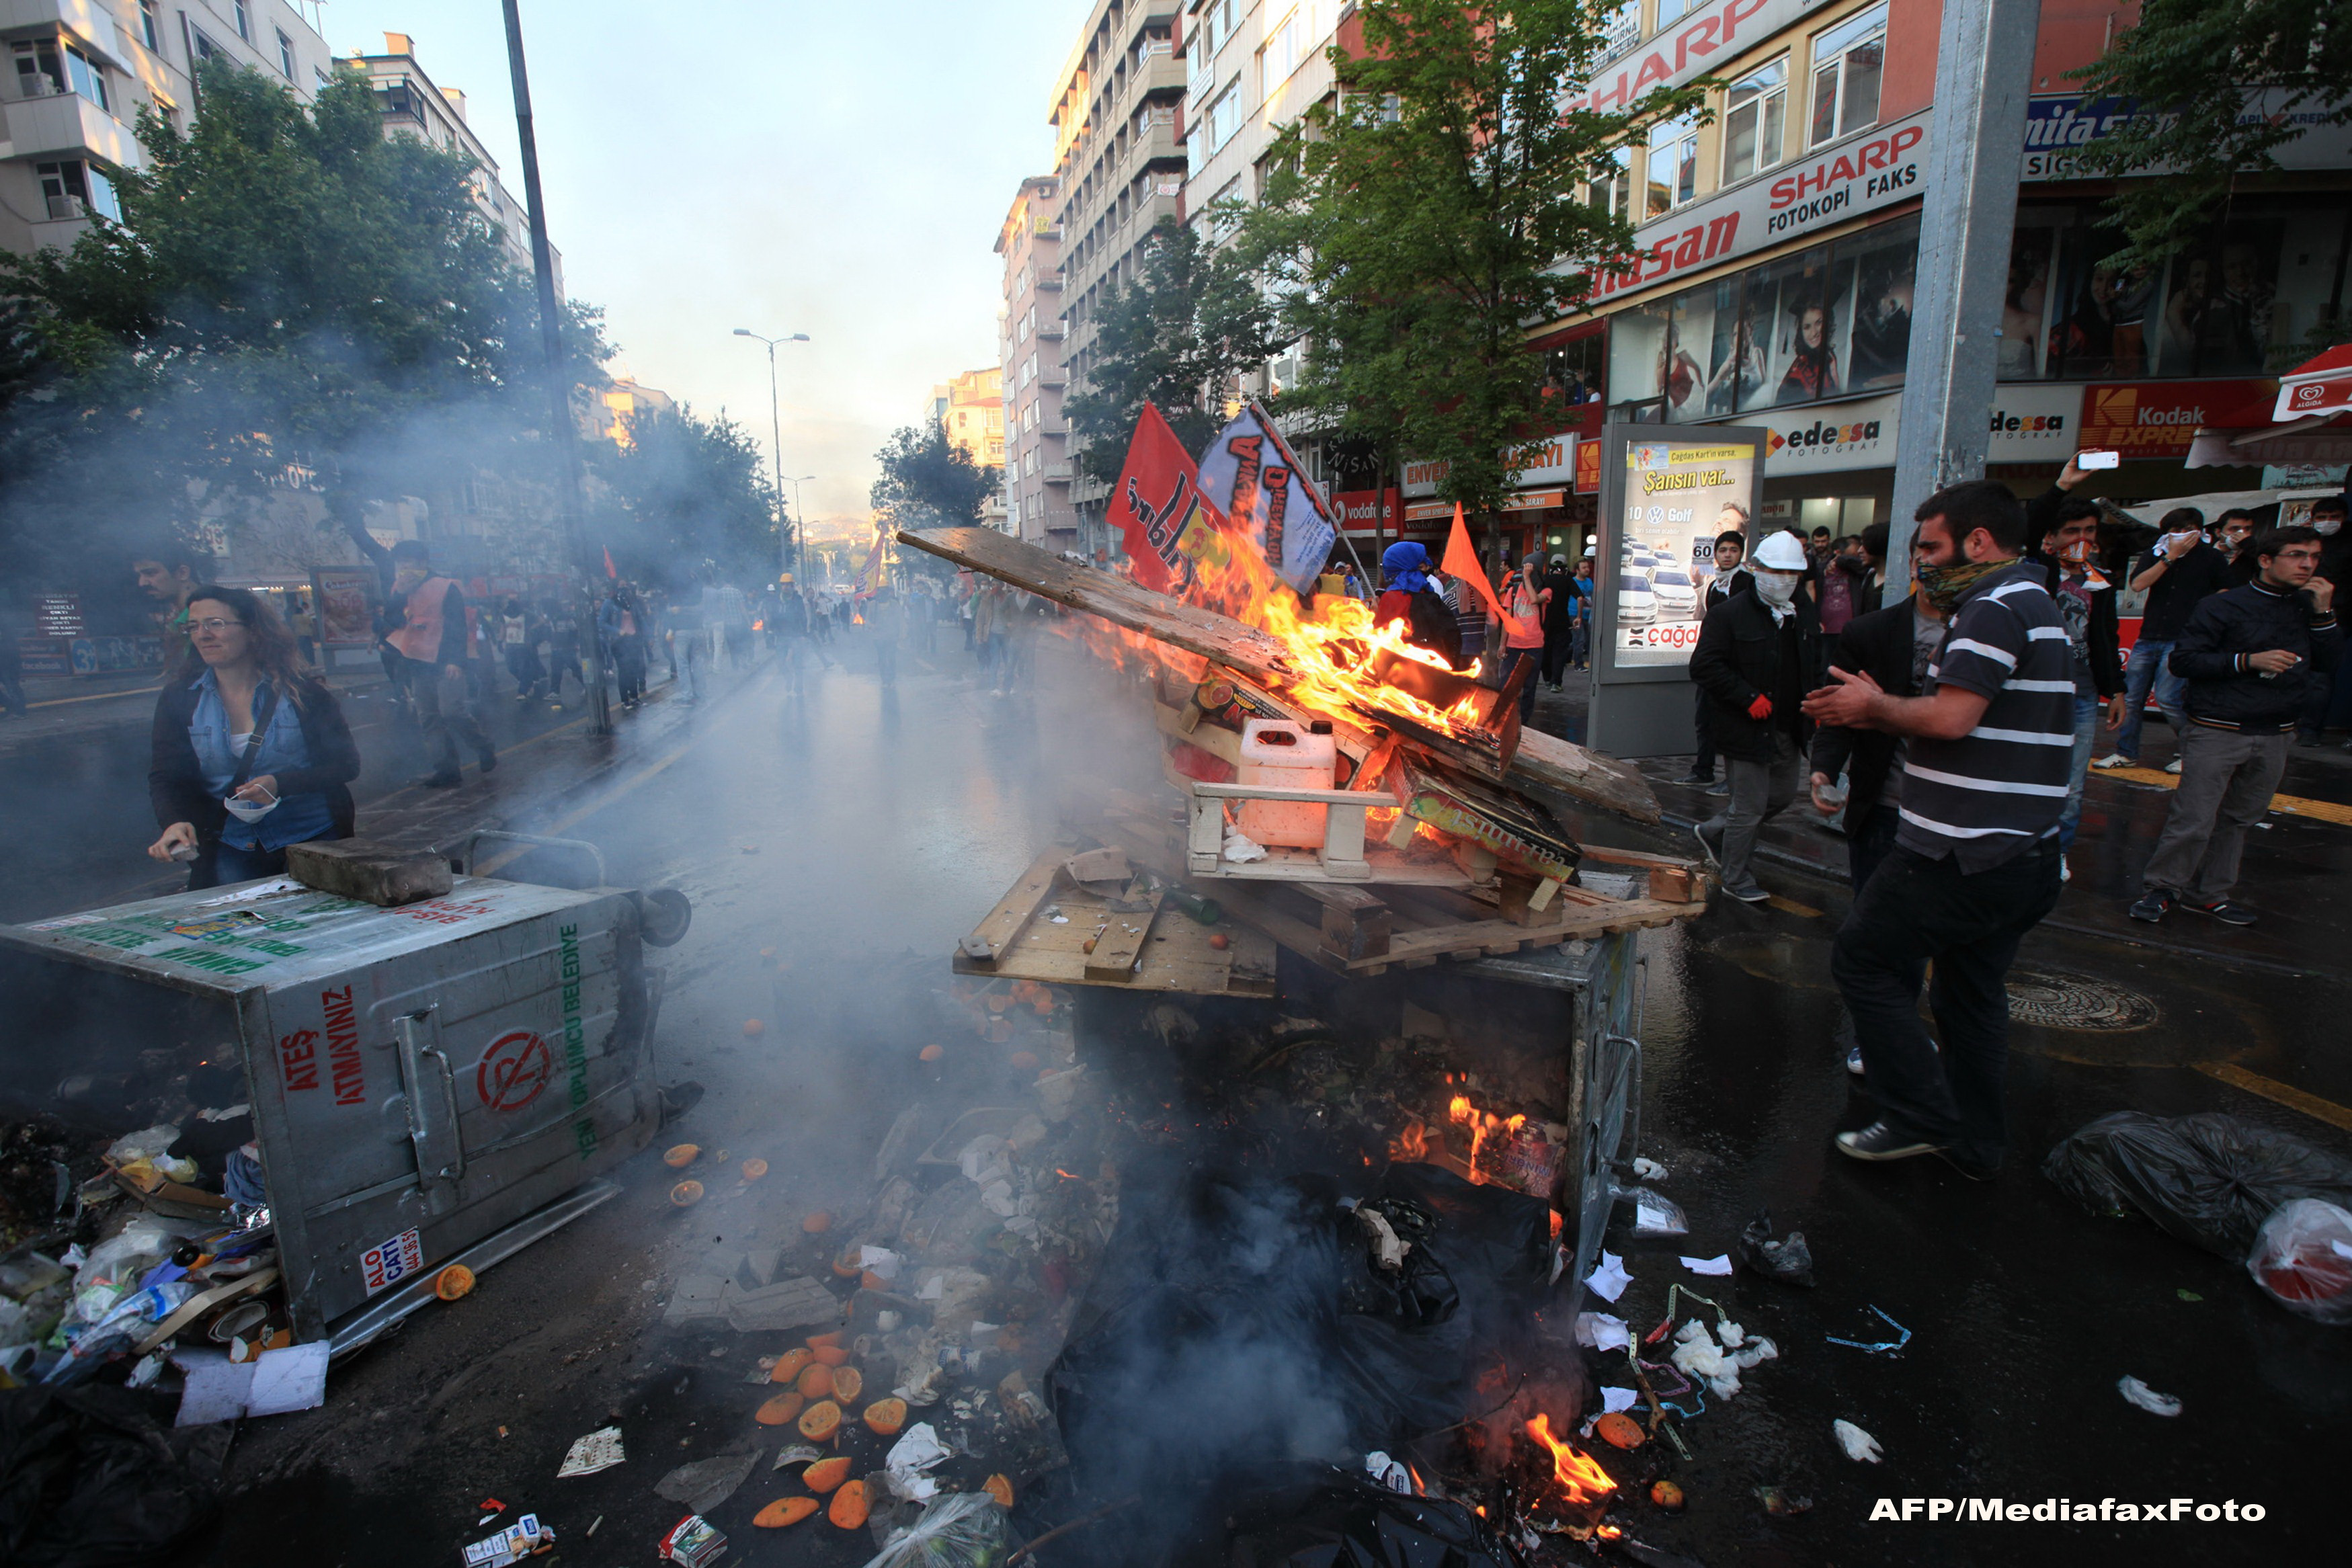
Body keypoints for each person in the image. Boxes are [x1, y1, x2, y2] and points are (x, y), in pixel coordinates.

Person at [1801, 481, 2071, 1175]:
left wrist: (1873, 706)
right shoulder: (2036, 601)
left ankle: (1920, 1111)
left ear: (1977, 541)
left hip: (1959, 852)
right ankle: (1976, 1143)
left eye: (1930, 547)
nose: (1920, 561)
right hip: (2023, 852)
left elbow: (1950, 718)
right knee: (1968, 994)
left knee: (1862, 958)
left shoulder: (1993, 606)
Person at [2128, 527, 2340, 925]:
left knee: (2241, 818)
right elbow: (2184, 661)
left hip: (2276, 731)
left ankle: (2211, 893)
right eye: (2296, 555)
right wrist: (2247, 661)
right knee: (2194, 816)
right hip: (2217, 728)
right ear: (2265, 560)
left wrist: (2325, 613)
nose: (2307, 564)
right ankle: (2162, 888)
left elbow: (2329, 663)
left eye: (2313, 556)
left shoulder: (2308, 605)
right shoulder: (2222, 606)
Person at [147, 586, 360, 889]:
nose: (203, 635)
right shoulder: (180, 699)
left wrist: (279, 784)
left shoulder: (303, 695)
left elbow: (346, 765)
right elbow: (166, 775)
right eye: (193, 626)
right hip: (232, 844)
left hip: (313, 839)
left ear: (253, 631)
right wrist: (174, 822)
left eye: (216, 624)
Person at [1689, 530, 1819, 903]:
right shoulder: (1730, 614)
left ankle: (1715, 831)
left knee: (1779, 797)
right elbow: (1706, 667)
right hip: (1744, 727)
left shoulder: (1800, 612)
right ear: (1756, 568)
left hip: (1787, 726)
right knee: (1748, 808)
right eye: (1775, 570)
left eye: (1791, 573)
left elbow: (1810, 663)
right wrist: (1747, 697)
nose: (1783, 579)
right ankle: (1736, 877)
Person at [2028, 497, 2126, 876]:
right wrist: (2061, 487)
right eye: (2072, 531)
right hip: (2037, 690)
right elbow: (2028, 529)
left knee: (2072, 783)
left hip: (2083, 695)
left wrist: (2116, 690)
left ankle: (2058, 851)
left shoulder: (2100, 582)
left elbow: (2107, 636)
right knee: (2027, 772)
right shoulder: (2038, 574)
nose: (2081, 538)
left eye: (2088, 530)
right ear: (2051, 538)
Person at [2095, 507, 2230, 773]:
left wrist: (2204, 615)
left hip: (2184, 638)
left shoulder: (2212, 557)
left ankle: (2192, 751)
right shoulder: (2156, 554)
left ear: (2199, 530)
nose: (2181, 535)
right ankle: (2126, 752)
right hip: (2149, 635)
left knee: (2169, 697)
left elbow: (2226, 590)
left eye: (2187, 529)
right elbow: (2137, 585)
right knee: (2131, 698)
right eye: (2175, 530)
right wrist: (2170, 558)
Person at [384, 540, 495, 787]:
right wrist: (399, 595)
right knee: (429, 719)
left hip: (446, 663)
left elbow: (458, 625)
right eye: (400, 562)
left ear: (423, 562)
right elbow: (390, 620)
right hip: (417, 662)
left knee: (452, 711)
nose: (404, 567)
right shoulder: (399, 588)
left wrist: (456, 660)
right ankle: (446, 770)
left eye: (409, 561)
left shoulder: (446, 587)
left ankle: (484, 746)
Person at [1676, 531, 1749, 790]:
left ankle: (1734, 780)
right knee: (1704, 719)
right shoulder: (1714, 584)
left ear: (1741, 553)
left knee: (1732, 723)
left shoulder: (1746, 584)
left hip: (1734, 667)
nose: (1728, 555)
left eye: (1733, 550)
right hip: (1712, 664)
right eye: (1723, 550)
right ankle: (1703, 770)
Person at [1375, 542, 1462, 669]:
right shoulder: (1429, 593)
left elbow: (1380, 640)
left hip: (1403, 673)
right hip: (1436, 670)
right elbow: (1451, 637)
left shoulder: (1392, 598)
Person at [132, 540, 206, 669]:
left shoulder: (209, 616)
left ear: (183, 573)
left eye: (150, 573)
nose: (142, 583)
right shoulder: (181, 621)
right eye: (140, 575)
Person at [1496, 555, 1551, 720]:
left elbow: (1534, 599)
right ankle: (1502, 720)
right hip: (1514, 645)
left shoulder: (1546, 591)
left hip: (1534, 646)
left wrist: (1527, 577)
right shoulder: (1513, 591)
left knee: (1529, 687)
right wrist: (1502, 645)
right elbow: (1507, 620)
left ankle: (1524, 723)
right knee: (1506, 686)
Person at [600, 584, 649, 709]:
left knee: (634, 669)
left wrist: (649, 636)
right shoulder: (609, 603)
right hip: (619, 641)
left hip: (634, 639)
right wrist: (617, 631)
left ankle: (634, 697)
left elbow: (640, 619)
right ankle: (624, 701)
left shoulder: (632, 603)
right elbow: (602, 623)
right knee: (624, 671)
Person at [1818, 535, 1873, 636]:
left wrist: (1840, 560)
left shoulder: (1855, 572)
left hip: (1850, 629)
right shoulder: (1821, 570)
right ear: (1837, 552)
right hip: (1825, 629)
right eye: (1852, 555)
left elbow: (1863, 566)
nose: (1857, 557)